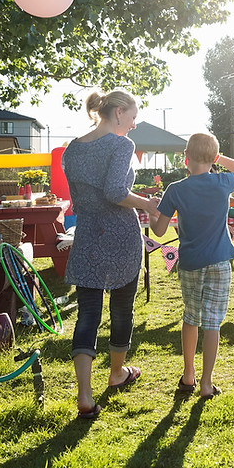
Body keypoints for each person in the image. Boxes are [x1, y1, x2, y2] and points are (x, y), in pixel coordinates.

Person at [61, 89, 160, 419]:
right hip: (119, 237)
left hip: (87, 234)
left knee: (88, 313)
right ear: (118, 112)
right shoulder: (122, 145)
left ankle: (85, 395)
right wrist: (146, 203)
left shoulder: (73, 148)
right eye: (132, 117)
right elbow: (116, 192)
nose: (133, 125)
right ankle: (117, 374)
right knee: (121, 308)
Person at [150, 133, 234, 400]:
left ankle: (188, 374)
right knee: (213, 322)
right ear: (214, 160)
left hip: (190, 263)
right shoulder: (223, 181)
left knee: (191, 317)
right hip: (219, 261)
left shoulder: (175, 190)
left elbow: (158, 231)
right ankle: (206, 383)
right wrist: (217, 157)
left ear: (185, 158)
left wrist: (152, 213)